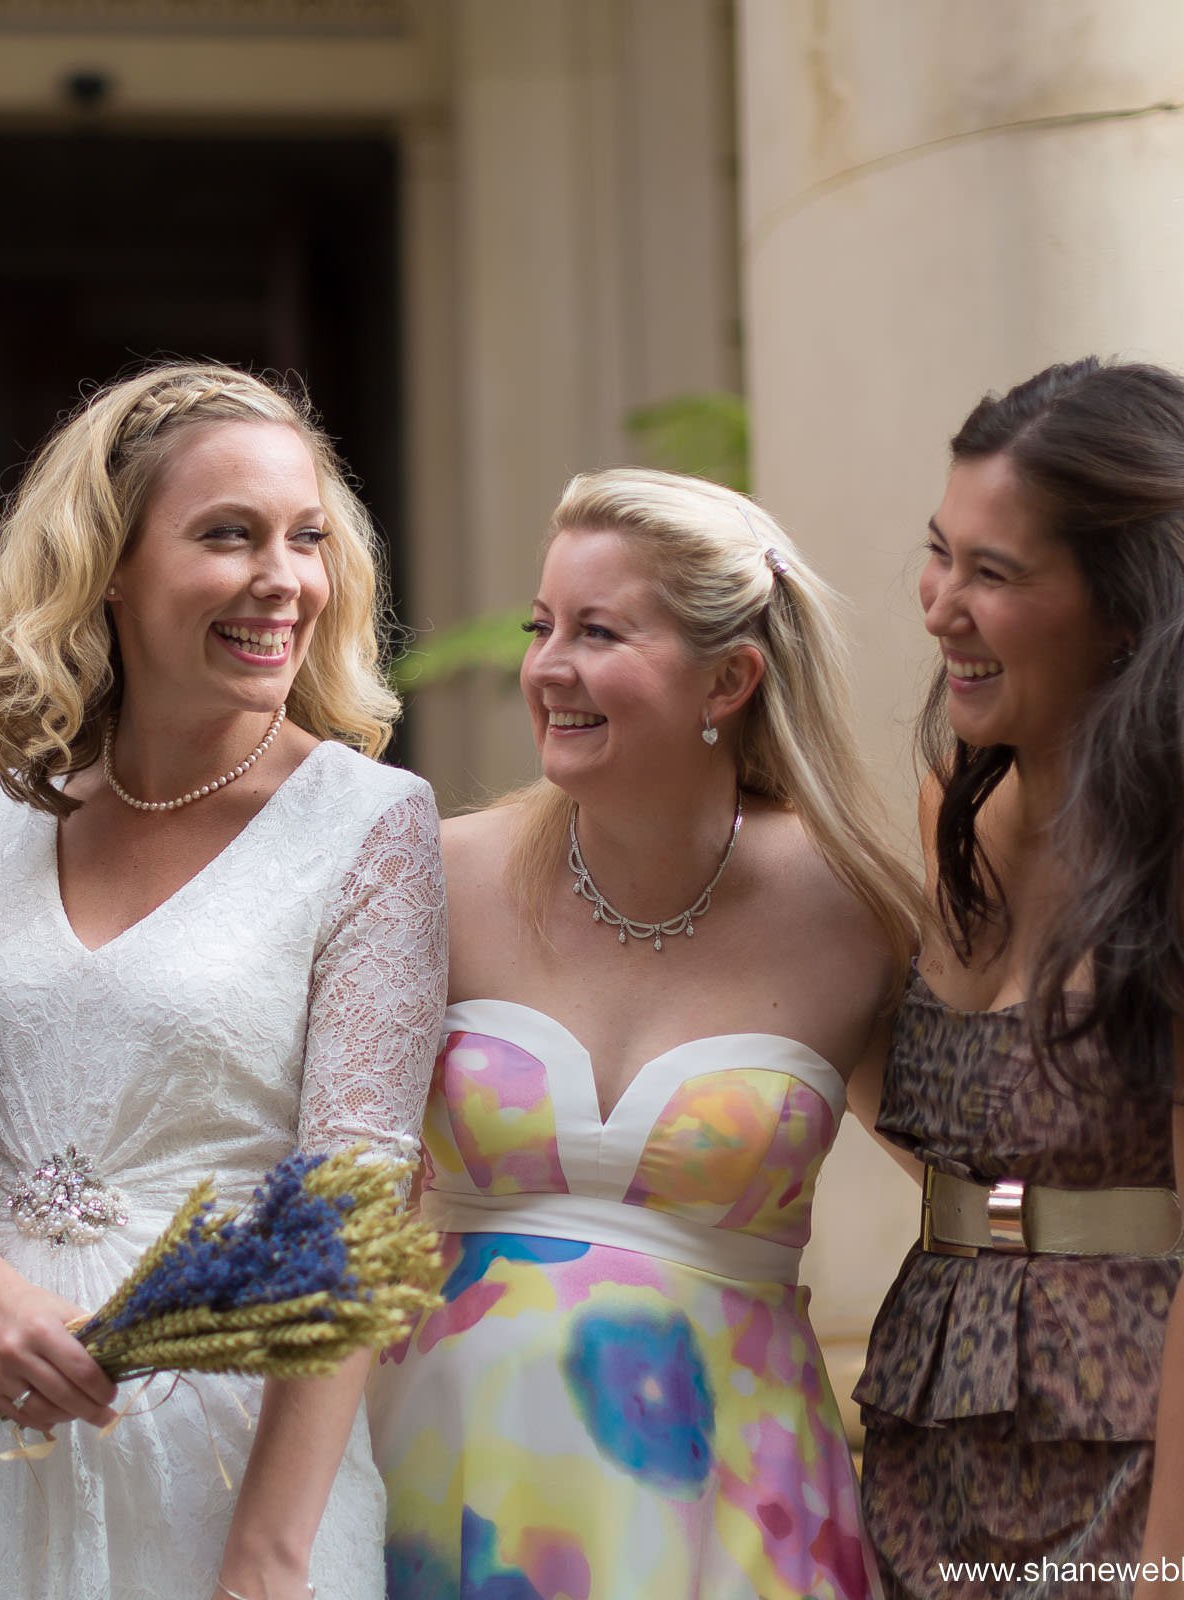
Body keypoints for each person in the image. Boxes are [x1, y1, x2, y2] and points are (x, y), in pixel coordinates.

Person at [0, 362, 448, 1600]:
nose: (281, 579)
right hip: (3, 1452)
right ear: (110, 566)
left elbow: (350, 1203)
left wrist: (270, 1558)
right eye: (227, 535)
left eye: (306, 538)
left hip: (243, 1474)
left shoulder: (370, 824)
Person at [369, 468, 924, 1599]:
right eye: (542, 627)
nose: (546, 667)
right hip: (446, 1479)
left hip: (735, 1500)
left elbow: (980, 1180)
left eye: (598, 631)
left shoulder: (859, 912)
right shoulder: (432, 869)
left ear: (731, 677)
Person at [854, 359, 1184, 1598]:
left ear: (1129, 605)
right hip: (941, 1450)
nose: (940, 603)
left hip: (1172, 1473)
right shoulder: (966, 794)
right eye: (940, 552)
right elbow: (980, 1137)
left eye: (994, 573)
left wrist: (1178, 1586)